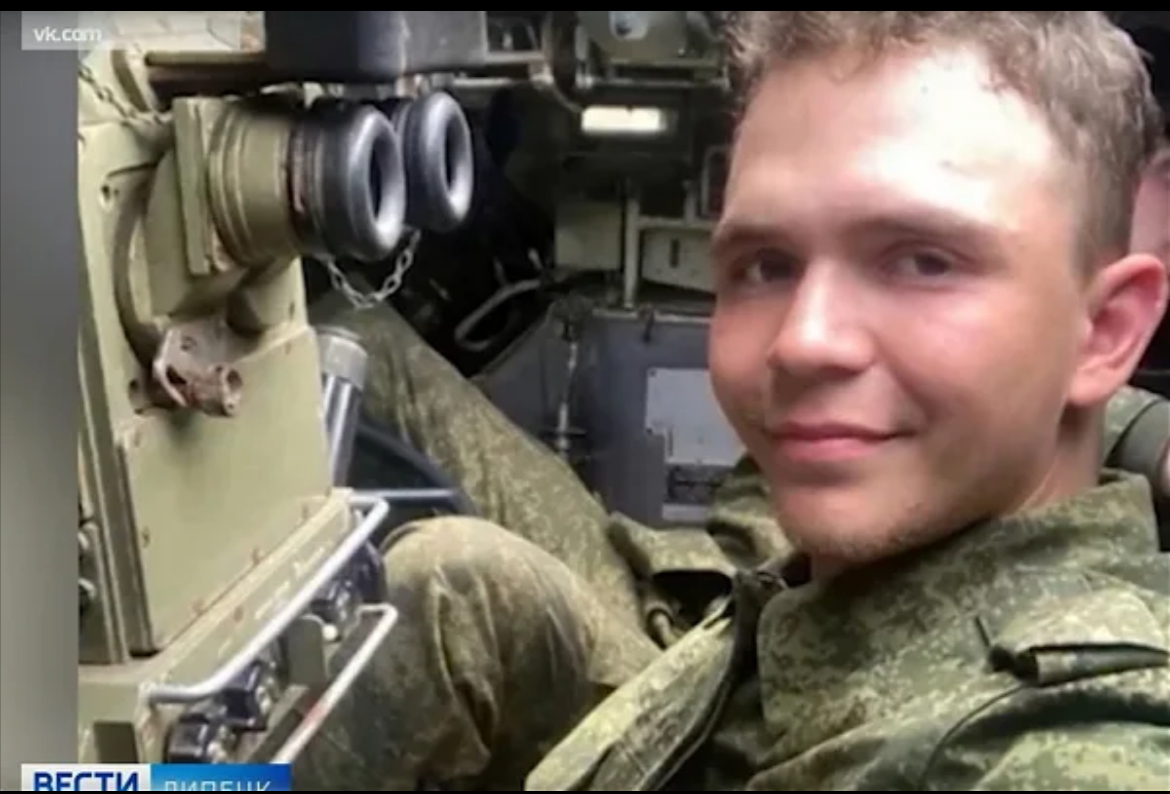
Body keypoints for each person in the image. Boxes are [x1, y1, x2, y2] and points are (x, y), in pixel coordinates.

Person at [294, 15, 1170, 789]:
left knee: (447, 581)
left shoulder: (1059, 739)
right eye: (765, 265)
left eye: (923, 260)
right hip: (711, 614)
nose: (802, 339)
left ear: (1105, 333)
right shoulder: (880, 532)